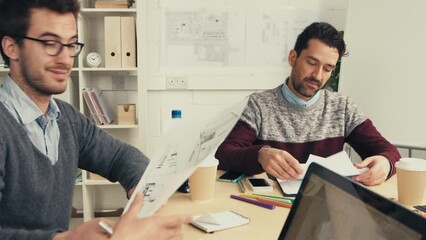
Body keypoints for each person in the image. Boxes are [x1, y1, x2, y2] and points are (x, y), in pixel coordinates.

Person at [0, 0, 191, 239]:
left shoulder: (66, 118)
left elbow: (119, 156)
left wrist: (142, 191)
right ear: (11, 47)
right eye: (50, 43)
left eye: (71, 45)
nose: (65, 58)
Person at [215, 22, 400, 186]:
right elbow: (223, 154)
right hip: (268, 205)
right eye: (312, 63)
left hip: (321, 207)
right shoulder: (259, 105)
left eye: (328, 69)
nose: (318, 76)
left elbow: (388, 151)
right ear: (293, 58)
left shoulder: (341, 107)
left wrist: (385, 163)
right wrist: (260, 154)